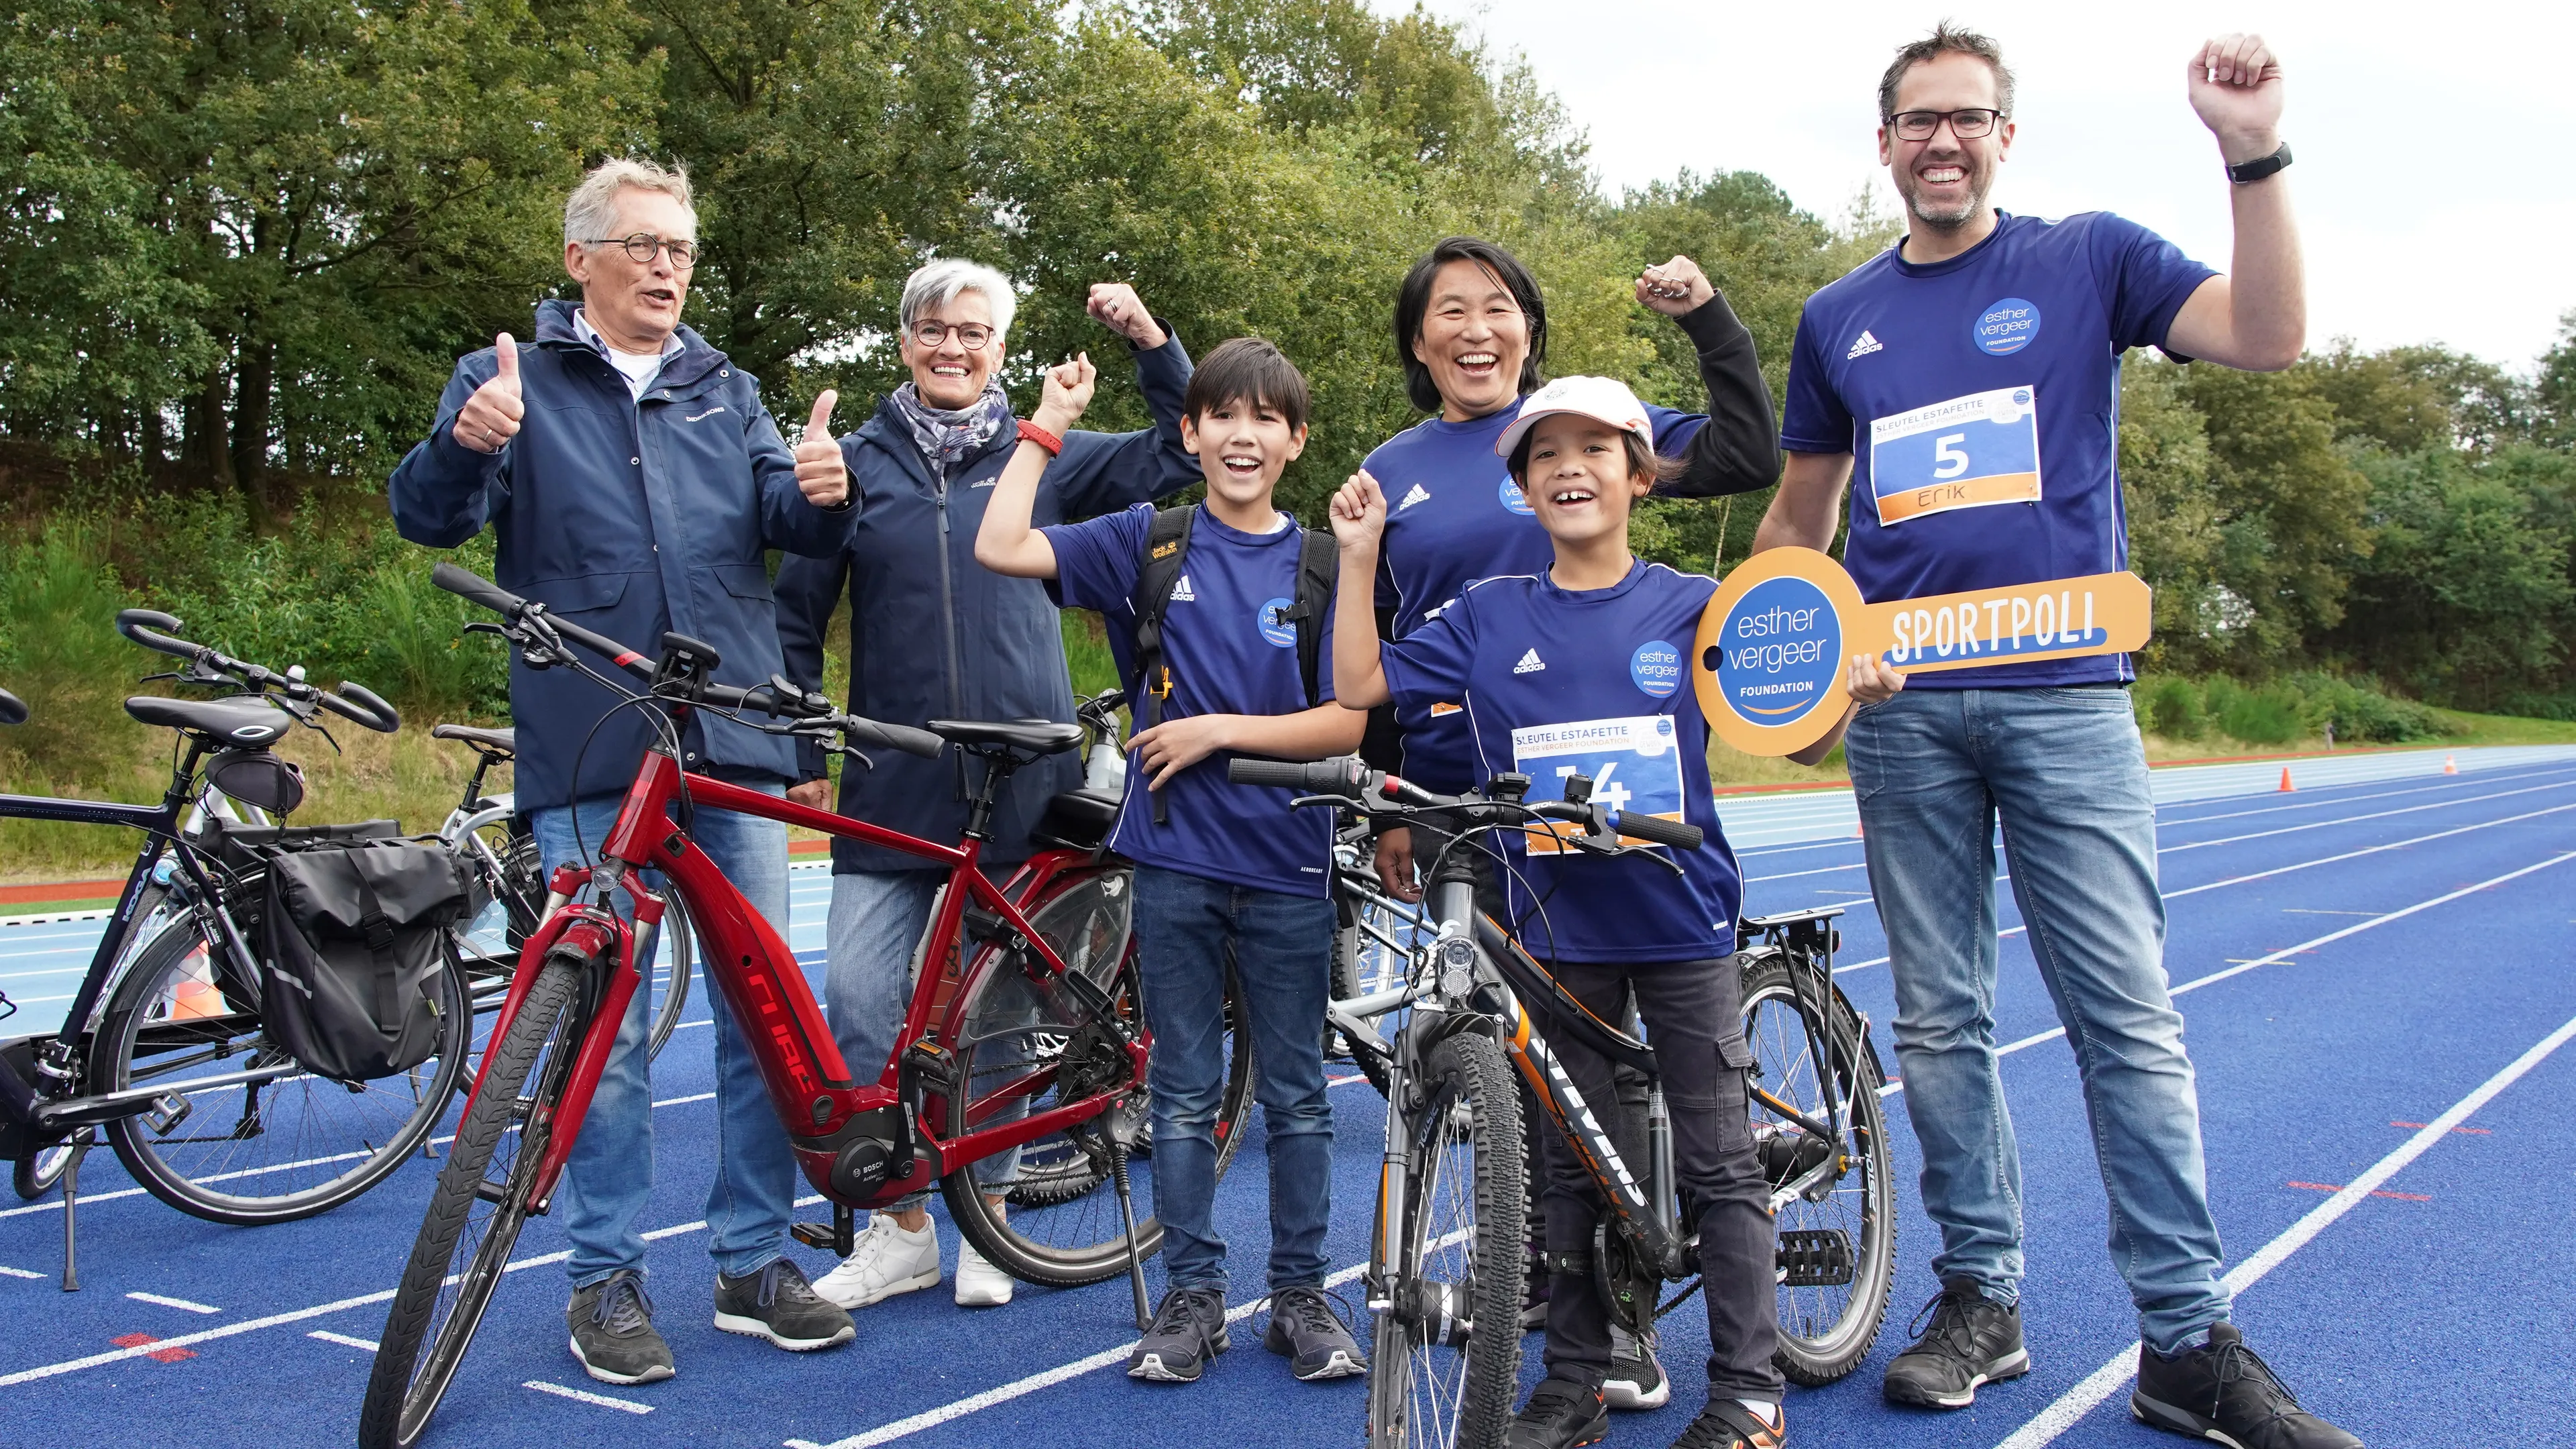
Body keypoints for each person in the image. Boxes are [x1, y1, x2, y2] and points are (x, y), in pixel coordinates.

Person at [1753, 26, 2361, 1448]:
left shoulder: (2091, 256)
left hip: (2067, 699)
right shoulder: (1839, 314)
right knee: (1942, 1021)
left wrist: (2249, 149)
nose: (1944, 142)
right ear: (1886, 140)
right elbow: (1799, 524)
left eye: (1970, 119)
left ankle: (2185, 1337)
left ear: (2005, 140)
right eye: (1919, 121)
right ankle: (1983, 1299)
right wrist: (1792, 660)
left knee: (2125, 1023)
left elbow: (2271, 338)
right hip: (1902, 721)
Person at [389, 157, 859, 1384]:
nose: (667, 267)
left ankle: (754, 1261)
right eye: (644, 245)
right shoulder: (511, 381)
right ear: (580, 259)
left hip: (737, 733)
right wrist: (459, 442)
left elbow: (792, 520)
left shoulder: (728, 384)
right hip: (596, 740)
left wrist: (820, 492)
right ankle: (604, 1280)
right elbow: (431, 515)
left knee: (764, 1021)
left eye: (683, 250)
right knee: (604, 1028)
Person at [1355, 236, 1782, 1408]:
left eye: (1498, 307)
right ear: (1418, 339)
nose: (1476, 328)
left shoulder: (1586, 424)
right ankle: (1568, 1341)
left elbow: (1749, 451)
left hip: (1636, 839)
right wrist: (1393, 793)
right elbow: (1367, 653)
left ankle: (1654, 1341)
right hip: (1470, 813)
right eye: (1449, 310)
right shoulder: (1390, 470)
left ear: (1531, 330)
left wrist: (1709, 321)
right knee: (1545, 1101)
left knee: (1655, 1106)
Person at [771, 260, 1198, 1313]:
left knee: (1003, 1016)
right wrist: (796, 757)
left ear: (1002, 349)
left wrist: (1151, 339)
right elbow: (795, 613)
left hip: (1023, 775)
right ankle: (902, 1228)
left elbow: (1174, 451)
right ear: (904, 341)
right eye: (931, 329)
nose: (951, 347)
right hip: (891, 778)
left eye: (973, 331)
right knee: (861, 1006)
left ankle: (988, 1211)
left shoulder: (1044, 454)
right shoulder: (855, 462)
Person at [975, 337, 1369, 1387]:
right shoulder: (1146, 544)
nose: (1243, 437)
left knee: (1297, 1096)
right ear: (1189, 434)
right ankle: (1194, 1299)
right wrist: (1046, 422)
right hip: (1175, 867)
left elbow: (1348, 723)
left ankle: (1300, 1297)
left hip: (1288, 867)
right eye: (1221, 418)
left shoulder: (1324, 563)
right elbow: (1001, 543)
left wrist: (1215, 736)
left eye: (1266, 420)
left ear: (1295, 440)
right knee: (1185, 1093)